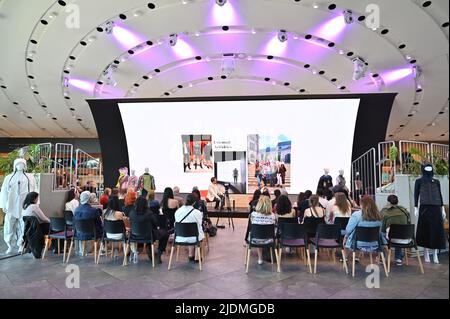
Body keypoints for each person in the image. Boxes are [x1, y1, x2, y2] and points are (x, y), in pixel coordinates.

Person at [0, 158, 37, 254]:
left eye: (22, 164)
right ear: (15, 165)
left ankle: (21, 244)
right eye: (18, 164)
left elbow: (34, 190)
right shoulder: (9, 177)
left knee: (23, 225)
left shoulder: (30, 177)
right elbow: (4, 192)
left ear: (25, 166)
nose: (20, 165)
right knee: (8, 226)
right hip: (11, 205)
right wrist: (3, 205)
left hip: (24, 205)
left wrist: (35, 203)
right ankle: (9, 245)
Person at [414, 164, 446, 264]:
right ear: (423, 170)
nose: (428, 171)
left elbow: (439, 195)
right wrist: (415, 207)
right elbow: (416, 194)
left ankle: (435, 253)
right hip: (424, 208)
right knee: (425, 230)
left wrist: (443, 208)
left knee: (436, 231)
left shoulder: (436, 181)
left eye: (430, 169)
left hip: (436, 208)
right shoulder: (419, 181)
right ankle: (426, 252)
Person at [380, 194, 411, 266]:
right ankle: (398, 258)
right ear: (398, 201)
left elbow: (383, 228)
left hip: (392, 239)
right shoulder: (404, 211)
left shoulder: (385, 211)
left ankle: (383, 258)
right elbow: (408, 223)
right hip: (406, 238)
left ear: (388, 202)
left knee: (381, 234)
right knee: (398, 233)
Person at [174, 194, 204, 262]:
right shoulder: (197, 212)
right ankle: (197, 257)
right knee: (197, 233)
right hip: (194, 238)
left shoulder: (178, 211)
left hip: (179, 237)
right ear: (194, 202)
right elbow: (199, 225)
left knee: (190, 232)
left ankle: (190, 255)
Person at [248, 195, 277, 265]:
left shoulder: (253, 214)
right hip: (270, 240)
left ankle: (260, 258)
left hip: (255, 239)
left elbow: (252, 227)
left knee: (258, 235)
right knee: (265, 234)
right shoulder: (273, 215)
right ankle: (272, 257)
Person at [21, 192, 50, 258]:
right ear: (34, 199)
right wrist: (51, 222)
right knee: (54, 228)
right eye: (37, 198)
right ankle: (57, 248)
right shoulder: (34, 207)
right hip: (36, 229)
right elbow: (43, 218)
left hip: (29, 230)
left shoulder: (24, 207)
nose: (38, 199)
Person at [128, 197, 153, 263]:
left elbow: (130, 224)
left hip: (134, 235)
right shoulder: (149, 213)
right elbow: (154, 223)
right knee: (160, 234)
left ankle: (135, 251)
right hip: (147, 236)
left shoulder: (131, 213)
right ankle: (153, 254)